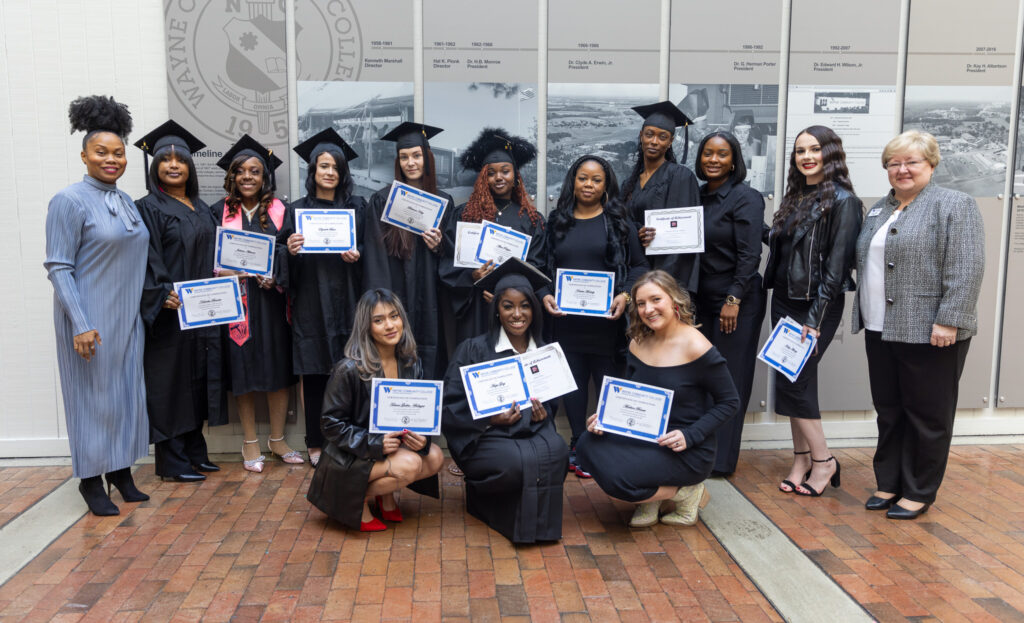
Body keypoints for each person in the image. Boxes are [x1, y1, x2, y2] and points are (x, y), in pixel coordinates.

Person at [853, 131, 984, 520]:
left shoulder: (954, 205)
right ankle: (889, 481)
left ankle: (920, 490)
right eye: (894, 163)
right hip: (880, 327)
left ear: (931, 164)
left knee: (927, 415)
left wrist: (950, 320)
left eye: (911, 162)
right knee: (889, 409)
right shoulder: (879, 208)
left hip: (931, 331)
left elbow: (967, 267)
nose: (902, 169)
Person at [45, 95, 150, 515]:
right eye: (101, 152)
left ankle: (120, 472)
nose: (111, 159)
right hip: (88, 318)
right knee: (91, 399)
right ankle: (90, 480)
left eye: (118, 153)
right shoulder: (68, 201)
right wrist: (80, 322)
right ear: (84, 155)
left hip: (126, 318)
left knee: (124, 395)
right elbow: (58, 266)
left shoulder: (125, 201)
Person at [575, 270, 739, 527]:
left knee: (620, 479)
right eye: (641, 303)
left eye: (655, 300)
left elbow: (730, 402)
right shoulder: (637, 343)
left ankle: (686, 492)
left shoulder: (696, 345)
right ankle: (650, 497)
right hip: (645, 437)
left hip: (685, 447)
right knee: (586, 445)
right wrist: (604, 419)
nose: (648, 309)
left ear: (674, 300)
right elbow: (628, 396)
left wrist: (690, 435)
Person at [763, 125, 862, 497]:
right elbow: (784, 246)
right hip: (786, 299)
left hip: (815, 304)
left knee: (799, 383)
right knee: (789, 381)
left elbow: (837, 270)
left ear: (831, 153)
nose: (806, 156)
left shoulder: (843, 201)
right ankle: (801, 459)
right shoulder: (797, 196)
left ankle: (823, 462)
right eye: (800, 151)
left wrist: (816, 320)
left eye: (815, 149)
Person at [442, 259, 569, 543]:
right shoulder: (473, 349)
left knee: (558, 452)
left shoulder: (545, 353)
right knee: (516, 462)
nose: (517, 314)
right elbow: (450, 408)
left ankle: (539, 525)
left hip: (532, 431)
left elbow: (550, 403)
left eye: (525, 305)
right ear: (497, 310)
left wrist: (542, 415)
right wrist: (490, 419)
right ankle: (481, 499)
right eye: (508, 306)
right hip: (486, 435)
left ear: (535, 310)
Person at [542, 155, 649, 478]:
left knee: (607, 386)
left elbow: (640, 266)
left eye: (596, 180)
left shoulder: (618, 220)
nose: (588, 185)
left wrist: (626, 295)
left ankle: (605, 445)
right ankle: (577, 443)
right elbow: (542, 267)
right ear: (573, 181)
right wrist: (545, 293)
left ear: (606, 186)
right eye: (583, 178)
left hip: (608, 324)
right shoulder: (556, 220)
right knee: (572, 386)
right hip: (566, 322)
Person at [306, 289, 444, 531]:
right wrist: (374, 443)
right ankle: (352, 500)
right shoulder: (349, 368)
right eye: (378, 320)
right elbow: (330, 423)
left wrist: (422, 438)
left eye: (394, 316)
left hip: (387, 447)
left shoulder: (410, 362)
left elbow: (417, 413)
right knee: (411, 464)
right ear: (366, 327)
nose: (390, 325)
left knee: (434, 457)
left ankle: (385, 495)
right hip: (350, 453)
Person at [135, 120, 226, 483]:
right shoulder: (147, 207)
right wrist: (160, 293)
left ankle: (194, 451)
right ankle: (171, 462)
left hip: (203, 310)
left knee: (198, 378)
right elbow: (145, 257)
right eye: (166, 159)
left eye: (181, 160)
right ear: (155, 166)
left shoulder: (201, 207)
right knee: (170, 381)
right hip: (171, 312)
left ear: (190, 167)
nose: (174, 165)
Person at [212, 134, 300, 472]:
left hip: (272, 300)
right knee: (243, 366)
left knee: (278, 367)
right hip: (237, 304)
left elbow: (288, 251)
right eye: (241, 171)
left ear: (265, 178)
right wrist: (229, 272)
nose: (248, 177)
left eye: (255, 171)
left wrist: (274, 274)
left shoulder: (281, 211)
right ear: (232, 176)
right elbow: (209, 257)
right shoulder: (218, 212)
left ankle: (276, 438)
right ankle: (250, 441)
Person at [283, 128, 366, 467]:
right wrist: (289, 249)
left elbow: (371, 254)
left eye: (335, 167)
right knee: (316, 372)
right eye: (323, 166)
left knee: (354, 371)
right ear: (313, 171)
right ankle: (315, 442)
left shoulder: (357, 208)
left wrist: (357, 256)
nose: (329, 172)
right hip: (311, 302)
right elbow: (282, 259)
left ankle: (353, 437)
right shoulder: (296, 211)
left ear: (343, 172)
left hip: (349, 299)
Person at [693, 132, 767, 477]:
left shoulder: (745, 197)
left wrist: (733, 299)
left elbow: (750, 253)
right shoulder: (696, 197)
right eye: (708, 153)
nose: (713, 160)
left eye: (722, 154)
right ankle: (703, 451)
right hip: (701, 302)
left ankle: (721, 461)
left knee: (730, 379)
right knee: (702, 378)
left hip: (735, 302)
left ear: (734, 160)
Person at [362, 122, 453, 379]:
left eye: (416, 155)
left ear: (427, 158)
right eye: (404, 157)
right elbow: (375, 258)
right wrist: (381, 305)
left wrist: (440, 246)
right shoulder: (382, 201)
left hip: (430, 298)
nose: (410, 162)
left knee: (430, 354)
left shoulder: (443, 202)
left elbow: (452, 260)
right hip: (395, 294)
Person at [440, 127, 547, 344]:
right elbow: (447, 263)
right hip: (476, 308)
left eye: (505, 171)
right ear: (482, 179)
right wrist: (471, 276)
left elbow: (537, 266)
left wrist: (504, 290)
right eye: (491, 173)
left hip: (515, 309)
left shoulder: (531, 219)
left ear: (515, 176)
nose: (498, 177)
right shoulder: (464, 216)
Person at [621, 101, 702, 295]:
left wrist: (664, 284)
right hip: (634, 273)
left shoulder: (681, 177)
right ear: (641, 136)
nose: (654, 141)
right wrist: (636, 232)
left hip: (667, 276)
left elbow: (683, 236)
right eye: (649, 134)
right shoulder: (628, 184)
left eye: (662, 137)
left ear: (670, 141)